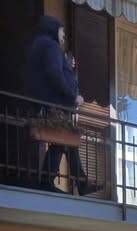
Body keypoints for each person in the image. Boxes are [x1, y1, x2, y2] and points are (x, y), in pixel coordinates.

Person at [23, 16, 98, 196]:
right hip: (55, 105)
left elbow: (54, 72)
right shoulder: (51, 46)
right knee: (64, 139)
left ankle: (75, 183)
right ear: (54, 29)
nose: (64, 36)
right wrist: (73, 97)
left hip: (49, 103)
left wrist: (67, 67)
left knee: (64, 142)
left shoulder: (41, 45)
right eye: (62, 31)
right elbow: (54, 75)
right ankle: (54, 182)